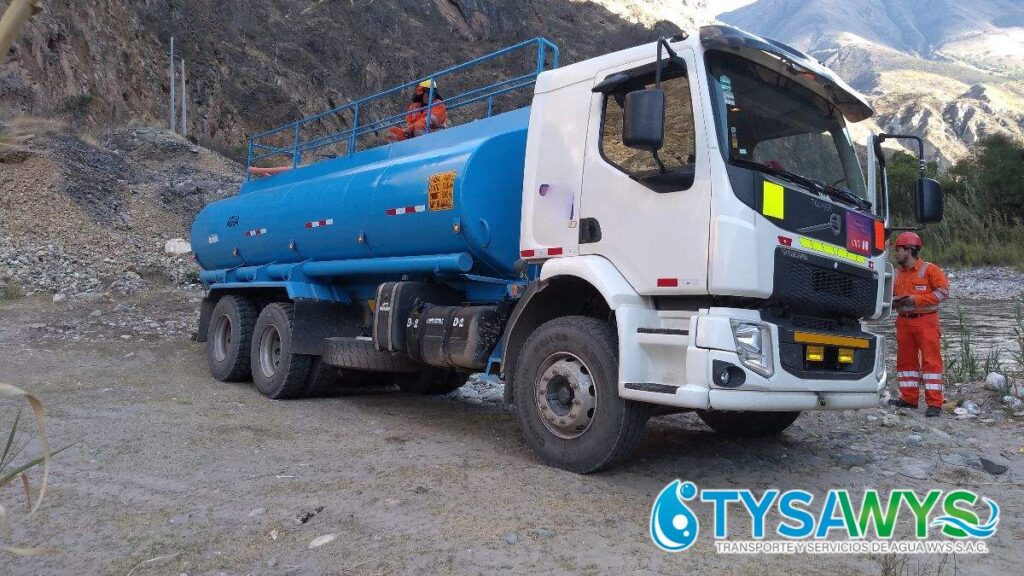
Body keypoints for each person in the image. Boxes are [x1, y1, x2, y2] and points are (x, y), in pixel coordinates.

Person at [888, 232, 950, 417]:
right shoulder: (896, 274)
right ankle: (908, 399)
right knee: (906, 362)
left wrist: (916, 300)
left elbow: (943, 293)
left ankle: (935, 404)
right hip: (904, 322)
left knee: (931, 363)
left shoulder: (930, 270)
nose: (895, 254)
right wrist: (894, 302)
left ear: (909, 250)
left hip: (927, 321)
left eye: (898, 250)